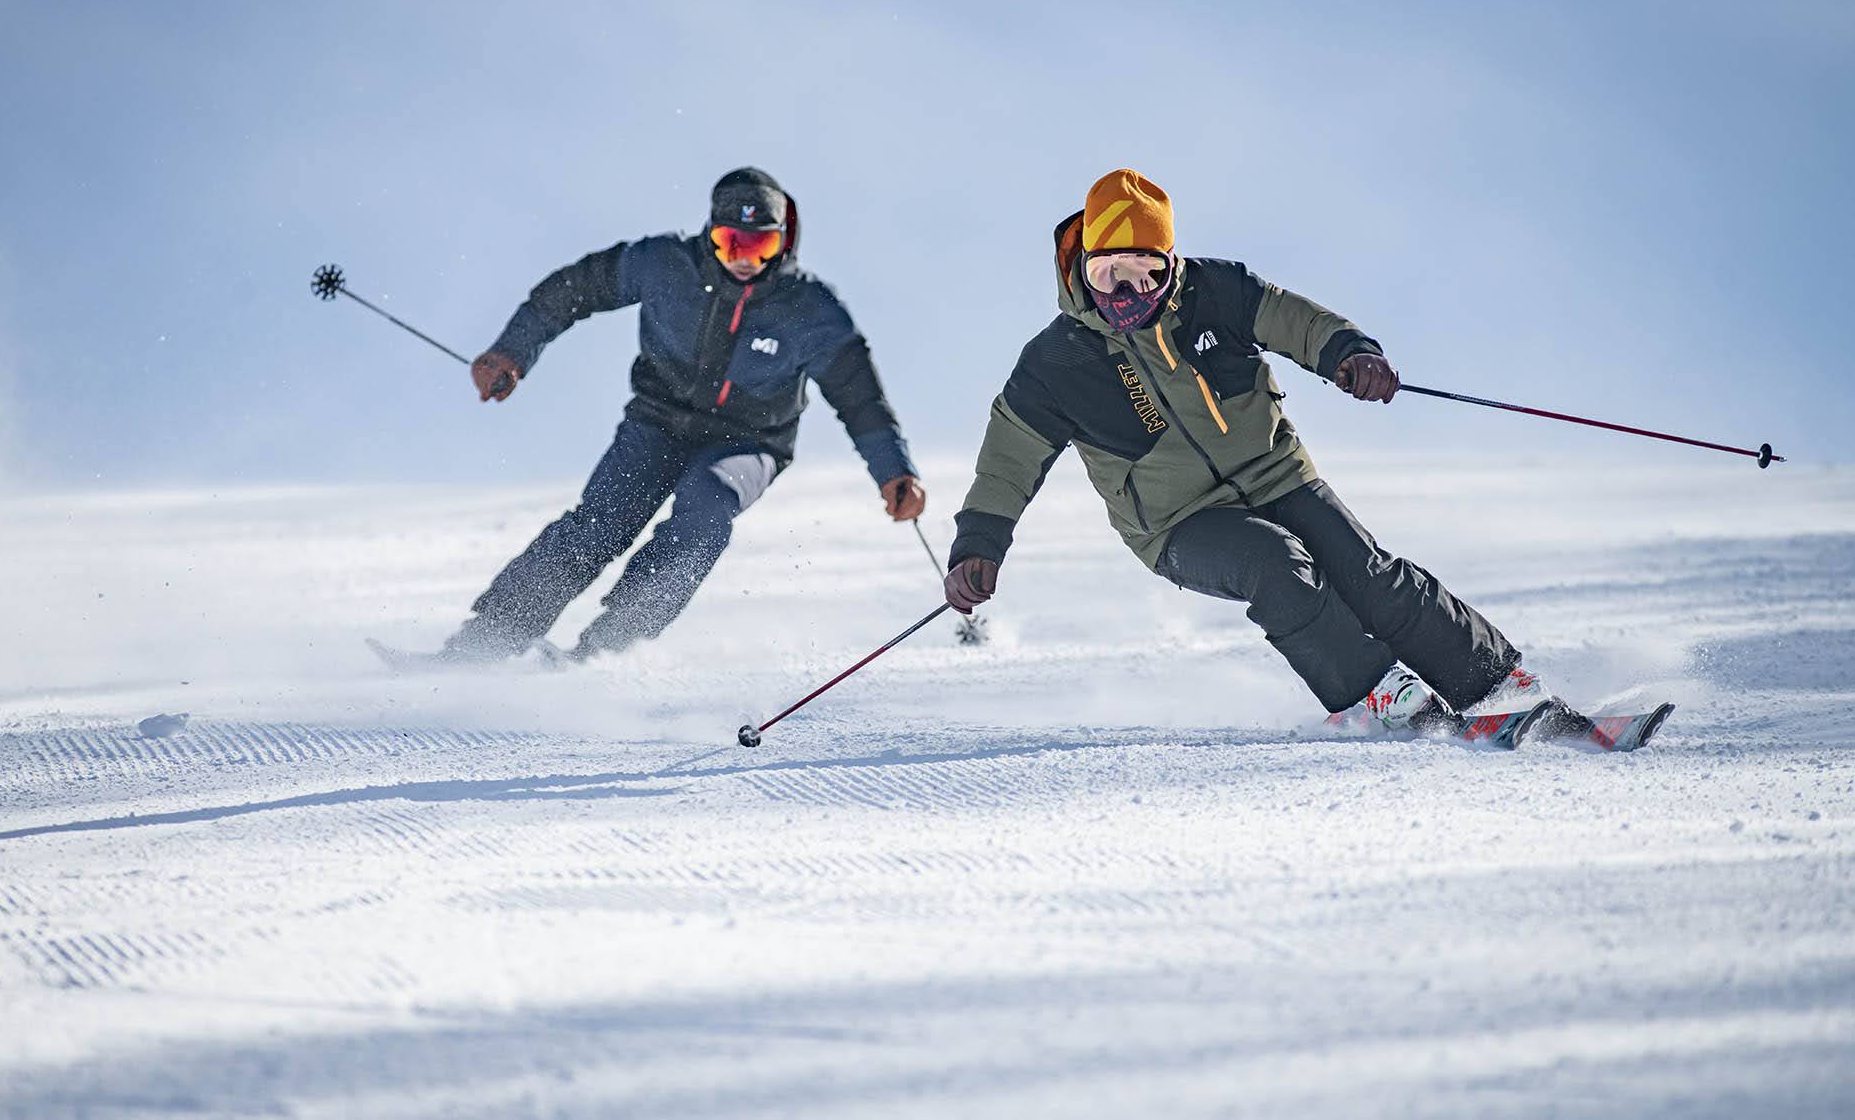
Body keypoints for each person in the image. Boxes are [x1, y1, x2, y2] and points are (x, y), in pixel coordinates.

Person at [943, 169, 1536, 730]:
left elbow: (1295, 319)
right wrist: (978, 546)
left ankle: (1498, 686)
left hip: (1277, 476)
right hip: (1178, 524)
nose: (1125, 291)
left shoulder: (1215, 292)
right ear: (1081, 269)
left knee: (1369, 576)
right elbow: (1007, 460)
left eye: (1144, 272)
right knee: (1274, 563)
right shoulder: (1057, 362)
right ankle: (1375, 696)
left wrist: (1350, 353)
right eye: (1107, 275)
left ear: (1170, 264)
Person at [443, 166, 924, 663]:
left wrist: (895, 471)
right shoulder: (664, 264)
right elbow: (573, 290)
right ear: (709, 234)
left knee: (707, 509)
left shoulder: (810, 308)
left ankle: (603, 653)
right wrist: (512, 350)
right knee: (600, 522)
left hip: (750, 441)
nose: (744, 260)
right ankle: (482, 646)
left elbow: (861, 400)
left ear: (782, 242)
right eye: (730, 243)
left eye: (759, 247)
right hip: (657, 421)